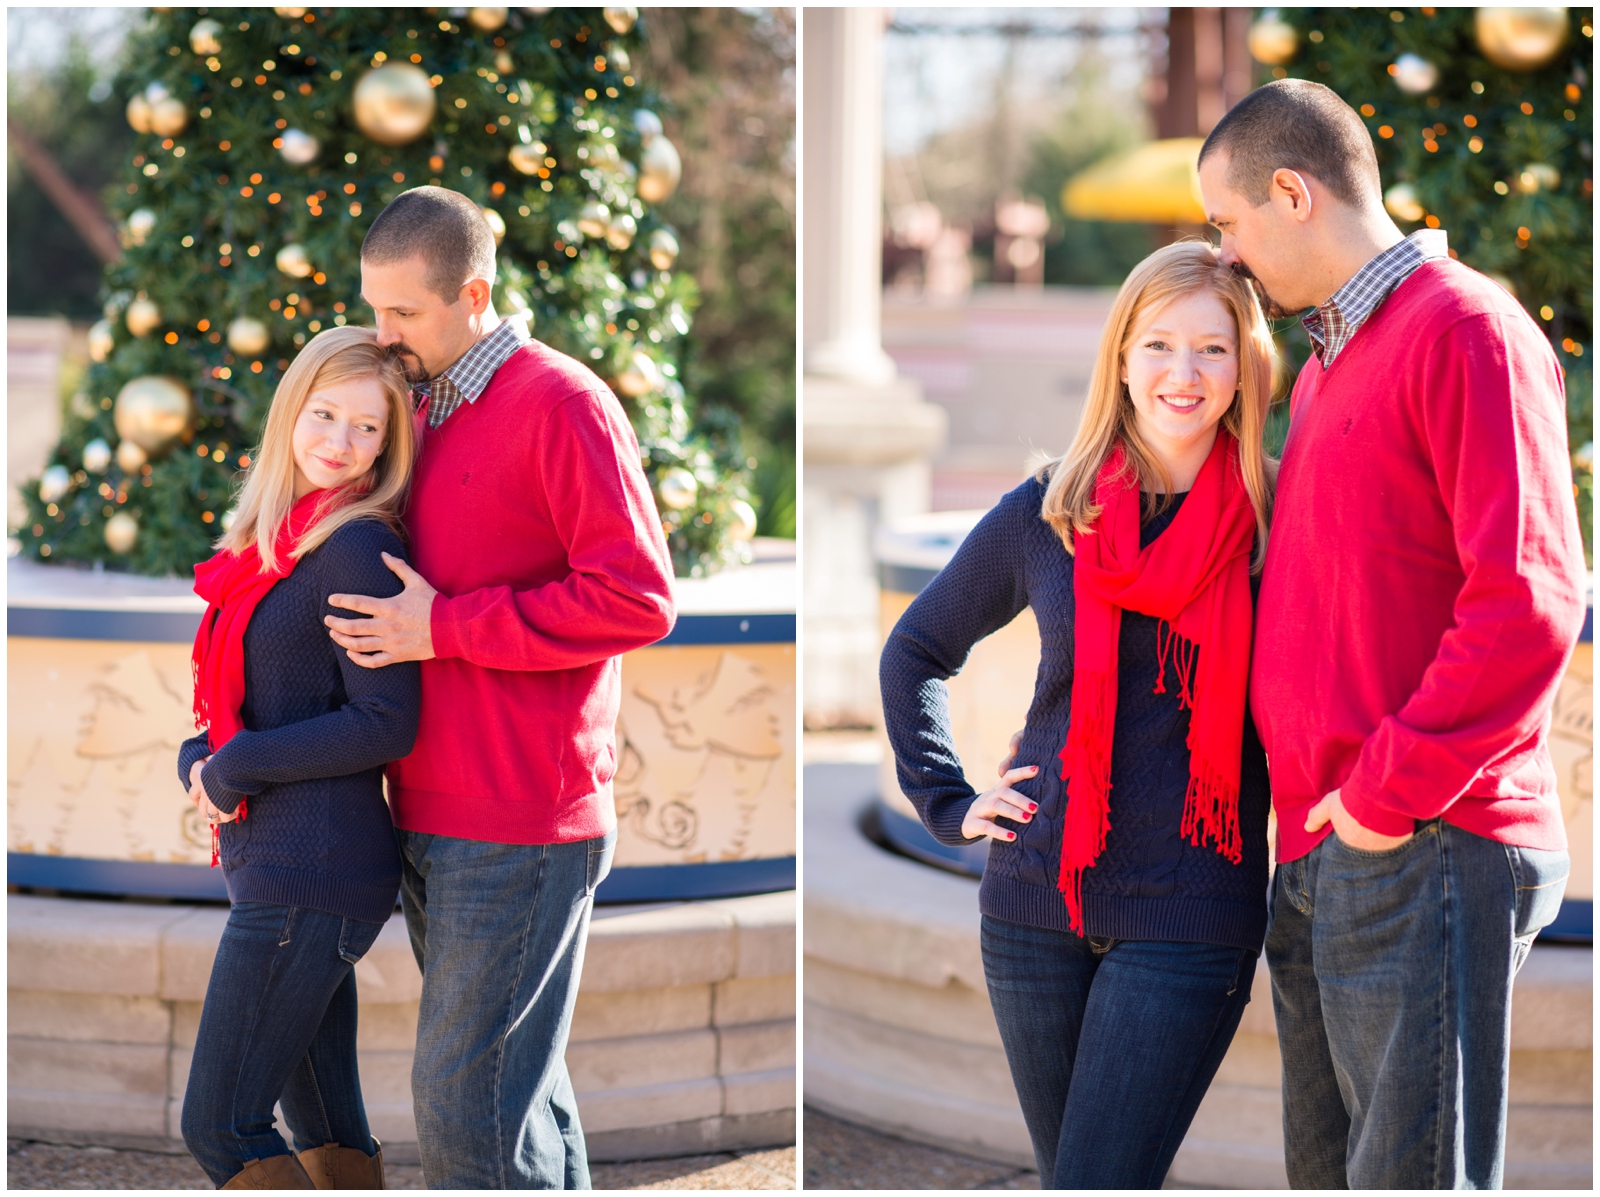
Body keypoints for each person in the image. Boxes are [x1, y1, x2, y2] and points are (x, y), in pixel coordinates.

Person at [1197, 79, 1586, 1189]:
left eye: (1226, 222)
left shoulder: (1466, 329)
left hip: (1426, 841)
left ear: (1290, 190)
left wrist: (1381, 798)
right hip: (1332, 848)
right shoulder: (1324, 366)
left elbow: (1528, 597)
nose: (1222, 255)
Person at [880, 240, 1278, 1189]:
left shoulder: (1277, 517)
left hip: (1189, 910)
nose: (1183, 374)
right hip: (1032, 904)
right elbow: (916, 650)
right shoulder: (1049, 509)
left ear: (1245, 363)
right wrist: (947, 795)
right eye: (1159, 345)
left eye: (1213, 350)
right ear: (1122, 356)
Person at [319, 186, 677, 1189]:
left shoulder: (563, 404)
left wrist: (444, 626)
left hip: (522, 816)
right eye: (373, 308)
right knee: (517, 1095)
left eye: (404, 314)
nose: (379, 335)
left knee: (465, 1111)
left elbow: (638, 600)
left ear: (472, 292)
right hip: (430, 804)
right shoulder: (412, 408)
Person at [178, 326, 421, 1190]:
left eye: (367, 428)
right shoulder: (278, 539)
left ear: (390, 445)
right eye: (325, 414)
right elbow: (261, 697)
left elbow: (385, 720)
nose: (340, 442)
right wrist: (200, 754)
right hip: (282, 867)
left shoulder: (355, 545)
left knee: (218, 1122)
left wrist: (234, 768)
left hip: (311, 871)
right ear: (292, 409)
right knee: (327, 1129)